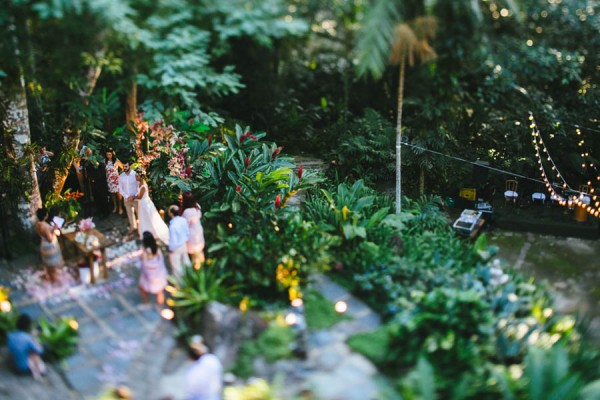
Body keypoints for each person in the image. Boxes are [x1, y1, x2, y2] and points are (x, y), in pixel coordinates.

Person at [7, 313, 47, 380]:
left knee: (26, 350)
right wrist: (36, 340)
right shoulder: (28, 338)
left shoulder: (10, 335)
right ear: (28, 326)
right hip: (22, 368)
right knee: (36, 353)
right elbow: (40, 350)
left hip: (13, 362)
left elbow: (21, 344)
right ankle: (40, 370)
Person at [135, 172, 170, 246]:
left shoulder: (143, 186)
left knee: (148, 218)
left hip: (145, 204)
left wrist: (132, 197)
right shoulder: (139, 183)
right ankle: (145, 230)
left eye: (137, 176)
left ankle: (152, 231)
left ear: (141, 177)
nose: (135, 178)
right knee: (144, 218)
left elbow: (140, 197)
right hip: (142, 203)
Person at [184, 335, 223, 400]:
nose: (195, 351)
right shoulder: (194, 364)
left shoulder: (210, 360)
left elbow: (214, 384)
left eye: (196, 349)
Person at [139, 231, 168, 307]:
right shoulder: (157, 248)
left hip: (150, 274)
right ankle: (160, 305)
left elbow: (145, 264)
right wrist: (157, 265)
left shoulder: (145, 252)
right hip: (158, 272)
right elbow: (161, 258)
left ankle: (146, 301)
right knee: (160, 291)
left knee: (142, 288)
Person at [35, 207, 64, 283]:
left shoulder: (37, 224)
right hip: (50, 247)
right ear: (45, 215)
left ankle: (50, 277)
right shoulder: (44, 226)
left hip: (43, 245)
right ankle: (54, 281)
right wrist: (54, 230)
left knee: (48, 265)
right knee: (53, 266)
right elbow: (50, 239)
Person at [181, 192, 205, 270]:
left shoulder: (187, 212)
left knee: (194, 253)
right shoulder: (197, 206)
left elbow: (185, 224)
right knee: (199, 251)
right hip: (198, 229)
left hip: (192, 233)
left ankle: (197, 270)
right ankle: (203, 266)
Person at [167, 204, 190, 278]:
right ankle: (189, 278)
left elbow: (173, 240)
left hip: (176, 247)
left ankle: (180, 284)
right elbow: (187, 232)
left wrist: (171, 250)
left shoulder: (172, 226)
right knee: (186, 262)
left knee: (176, 267)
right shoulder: (183, 220)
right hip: (184, 244)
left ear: (171, 213)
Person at [118, 161, 139, 235]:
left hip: (135, 198)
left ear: (129, 166)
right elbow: (120, 188)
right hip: (126, 199)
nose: (124, 168)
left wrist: (134, 196)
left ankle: (140, 228)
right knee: (130, 213)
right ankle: (133, 227)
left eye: (126, 166)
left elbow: (139, 186)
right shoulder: (121, 176)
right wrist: (126, 196)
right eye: (123, 167)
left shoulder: (135, 175)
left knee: (139, 214)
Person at [105, 149, 123, 215]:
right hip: (109, 180)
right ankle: (115, 206)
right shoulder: (105, 161)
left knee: (118, 194)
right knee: (112, 194)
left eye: (110, 154)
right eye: (107, 155)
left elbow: (123, 167)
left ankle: (120, 207)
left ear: (112, 154)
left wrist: (121, 176)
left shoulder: (116, 160)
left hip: (116, 180)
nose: (108, 156)